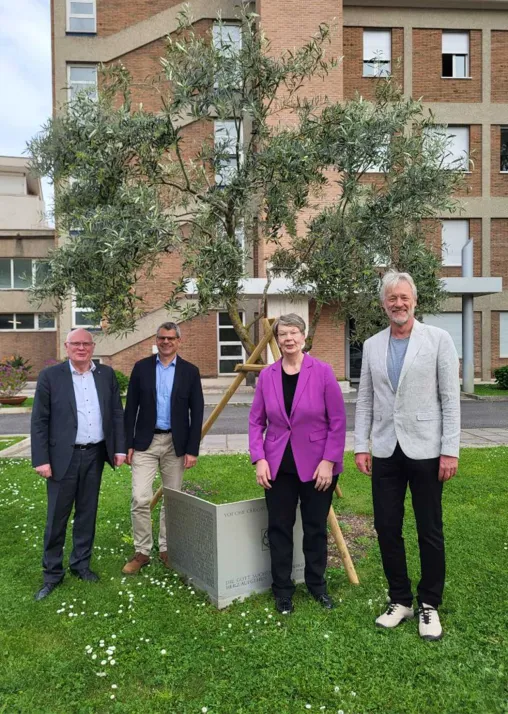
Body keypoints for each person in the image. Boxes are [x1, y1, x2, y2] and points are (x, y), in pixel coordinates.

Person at [354, 270, 460, 641]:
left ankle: (429, 604)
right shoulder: (371, 345)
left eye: (404, 297)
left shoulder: (438, 339)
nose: (398, 304)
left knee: (429, 528)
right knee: (386, 526)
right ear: (383, 304)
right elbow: (365, 398)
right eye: (391, 298)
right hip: (385, 449)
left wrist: (450, 450)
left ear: (414, 301)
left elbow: (450, 398)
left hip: (428, 449)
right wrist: (361, 445)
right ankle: (400, 599)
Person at [249, 313, 346, 614]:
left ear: (304, 337)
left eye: (294, 332)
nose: (288, 339)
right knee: (279, 528)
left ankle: (317, 585)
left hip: (318, 467)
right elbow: (255, 422)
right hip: (278, 468)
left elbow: (338, 422)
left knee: (315, 528)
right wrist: (260, 459)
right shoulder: (267, 376)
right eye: (282, 334)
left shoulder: (323, 372)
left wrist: (329, 461)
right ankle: (283, 590)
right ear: (276, 340)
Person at [31, 329, 126, 601]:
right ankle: (52, 573)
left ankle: (81, 564)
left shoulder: (105, 375)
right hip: (63, 457)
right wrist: (41, 459)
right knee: (56, 517)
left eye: (86, 343)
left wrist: (118, 447)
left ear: (93, 346)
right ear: (67, 346)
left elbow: (116, 413)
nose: (81, 348)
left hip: (95, 454)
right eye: (76, 344)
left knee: (87, 513)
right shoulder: (50, 376)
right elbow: (39, 421)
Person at [122, 322, 204, 574]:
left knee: (172, 498)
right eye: (161, 338)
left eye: (171, 338)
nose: (166, 342)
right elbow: (130, 408)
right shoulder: (141, 368)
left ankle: (168, 548)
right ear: (156, 341)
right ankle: (142, 551)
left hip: (175, 444)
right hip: (144, 443)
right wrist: (127, 444)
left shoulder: (190, 371)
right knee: (140, 497)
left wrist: (192, 449)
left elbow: (197, 411)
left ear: (179, 341)